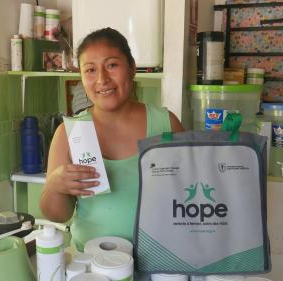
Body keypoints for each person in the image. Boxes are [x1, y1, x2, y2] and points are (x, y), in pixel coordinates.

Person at [40, 27, 184, 250]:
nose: (102, 79)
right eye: (90, 70)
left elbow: (188, 197)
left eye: (112, 65)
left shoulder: (166, 124)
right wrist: (55, 185)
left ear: (132, 68)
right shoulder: (69, 134)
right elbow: (57, 215)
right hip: (92, 264)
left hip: (160, 263)